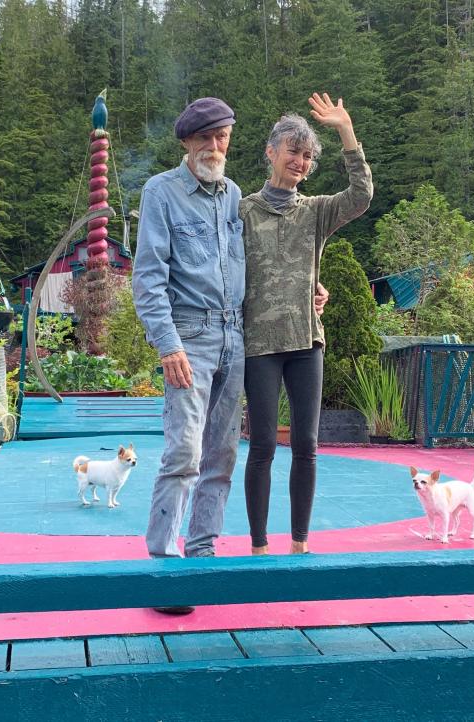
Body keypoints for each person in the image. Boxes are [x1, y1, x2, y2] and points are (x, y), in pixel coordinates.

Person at [241, 92, 373, 555]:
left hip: (305, 341)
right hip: (258, 344)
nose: (299, 161)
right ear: (271, 151)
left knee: (307, 443)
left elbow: (361, 195)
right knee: (260, 446)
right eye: (292, 151)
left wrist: (345, 131)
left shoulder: (315, 211)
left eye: (307, 155)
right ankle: (258, 545)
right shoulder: (241, 211)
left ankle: (299, 543)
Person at [132, 98, 245, 613]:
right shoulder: (161, 191)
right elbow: (148, 278)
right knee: (184, 454)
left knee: (222, 455)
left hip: (235, 340)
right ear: (186, 143)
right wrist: (168, 344)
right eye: (205, 139)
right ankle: (162, 564)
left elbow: (253, 266)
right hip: (190, 339)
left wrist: (311, 289)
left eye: (222, 137)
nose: (215, 147)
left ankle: (202, 554)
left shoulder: (235, 196)